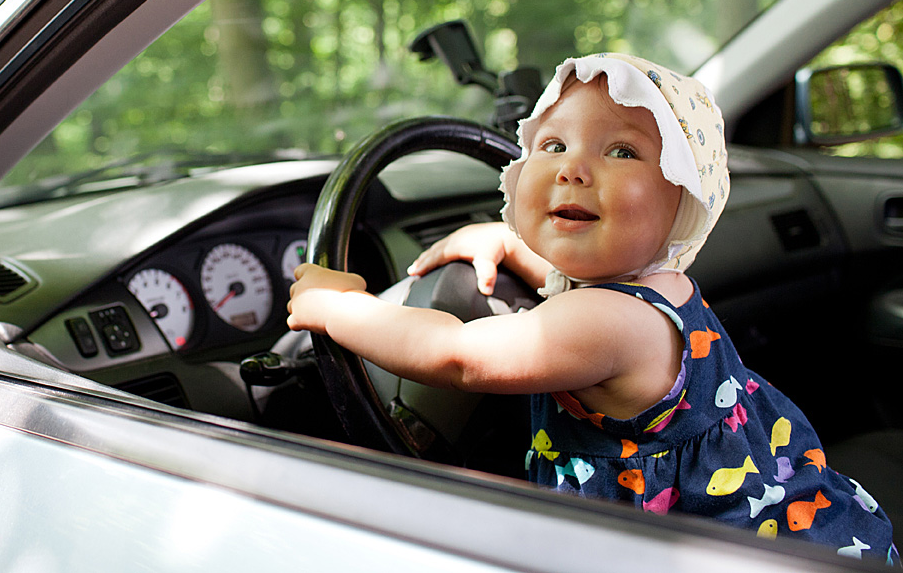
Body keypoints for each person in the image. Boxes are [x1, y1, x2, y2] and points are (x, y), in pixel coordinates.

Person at [288, 52, 895, 560]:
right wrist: (505, 242)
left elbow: (458, 355)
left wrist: (344, 308)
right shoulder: (655, 287)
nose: (573, 168)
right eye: (551, 144)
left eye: (622, 152)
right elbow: (573, 279)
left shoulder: (609, 324)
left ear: (680, 200)